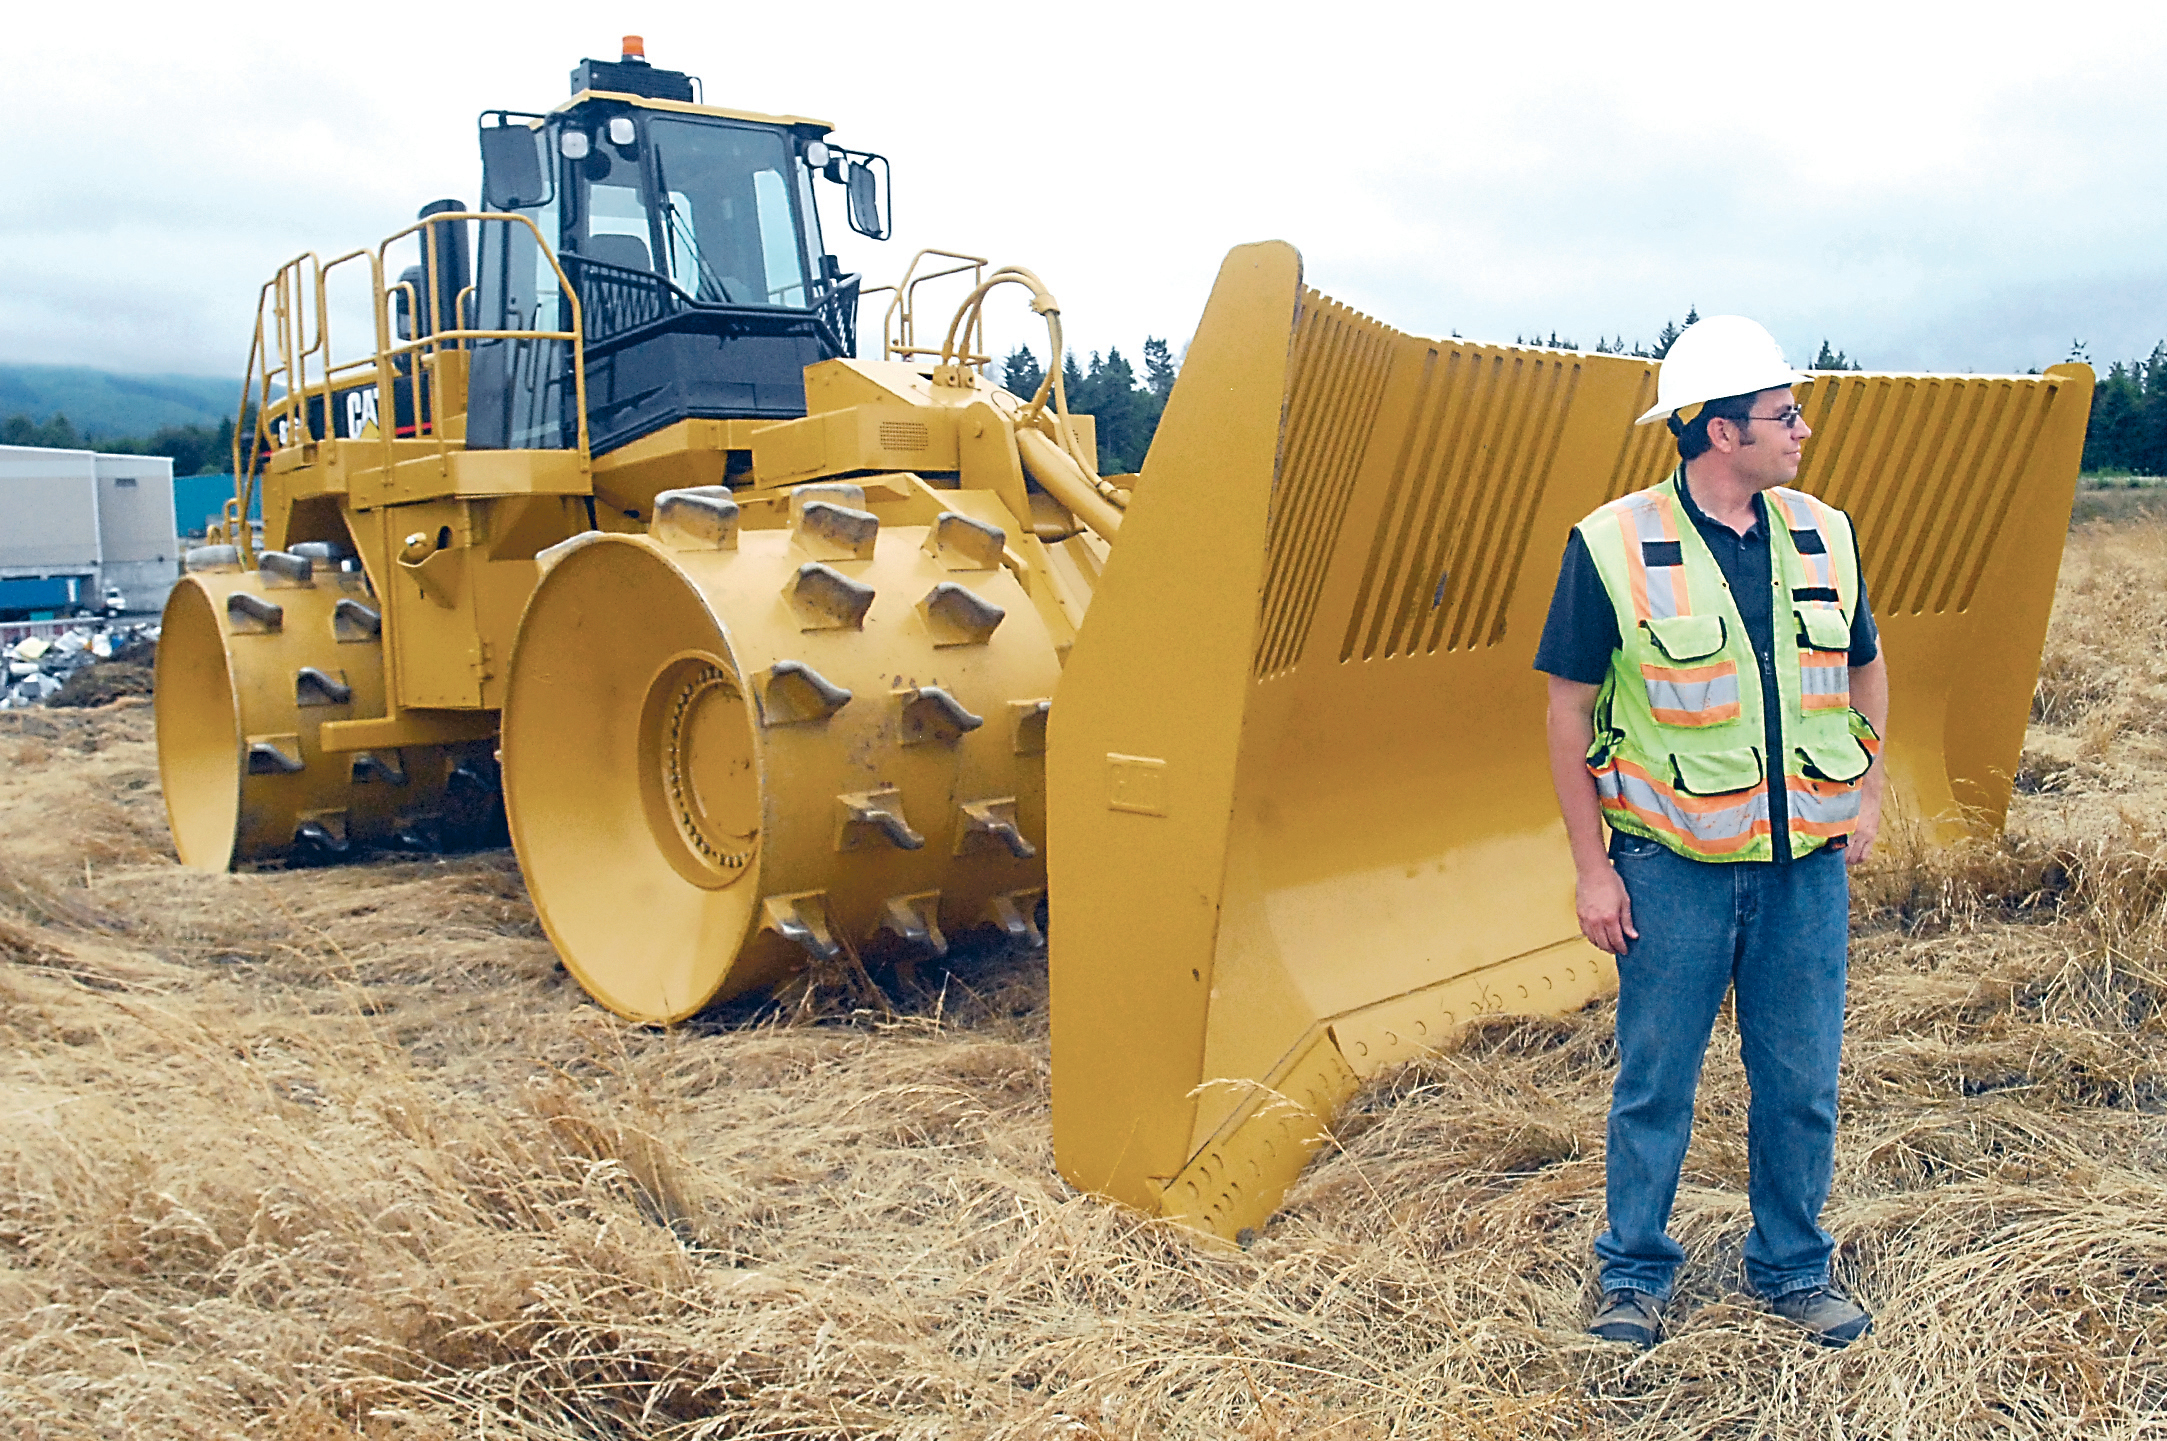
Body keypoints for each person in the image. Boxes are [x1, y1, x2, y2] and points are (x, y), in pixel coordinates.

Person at [1533, 316, 1888, 1350]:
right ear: (1720, 432)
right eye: (1784, 414)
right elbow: (1568, 711)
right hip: (1670, 869)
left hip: (1802, 875)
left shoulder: (1825, 530)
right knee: (1655, 1083)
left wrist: (1864, 795)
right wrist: (1593, 872)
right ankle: (1633, 1278)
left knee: (1800, 1082)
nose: (1803, 430)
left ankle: (1790, 1268)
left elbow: (1866, 663)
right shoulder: (1609, 544)